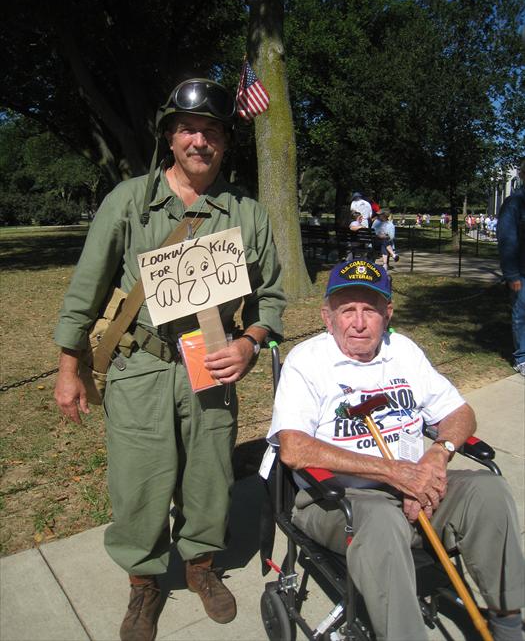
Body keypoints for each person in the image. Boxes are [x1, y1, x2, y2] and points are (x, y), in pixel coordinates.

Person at [54, 78, 286, 641]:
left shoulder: (246, 214)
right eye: (188, 130)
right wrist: (69, 368)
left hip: (212, 365)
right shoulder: (130, 202)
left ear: (225, 143)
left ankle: (201, 567)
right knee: (139, 482)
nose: (199, 141)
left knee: (208, 477)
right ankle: (144, 584)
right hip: (142, 368)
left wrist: (250, 343)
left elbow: (272, 297)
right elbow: (85, 289)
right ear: (170, 138)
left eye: (210, 131)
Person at [267, 259, 524, 641]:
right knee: (381, 523)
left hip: (416, 483)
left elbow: (460, 412)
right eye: (347, 310)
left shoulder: (402, 351)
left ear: (387, 313)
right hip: (337, 500)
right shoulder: (308, 362)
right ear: (327, 316)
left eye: (369, 309)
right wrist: (393, 473)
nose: (358, 322)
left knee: (488, 490)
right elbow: (294, 448)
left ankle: (507, 622)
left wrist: (437, 456)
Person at [497, 160, 525, 377]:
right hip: (521, 272)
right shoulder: (514, 202)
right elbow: (507, 238)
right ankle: (522, 357)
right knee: (521, 314)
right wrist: (512, 274)